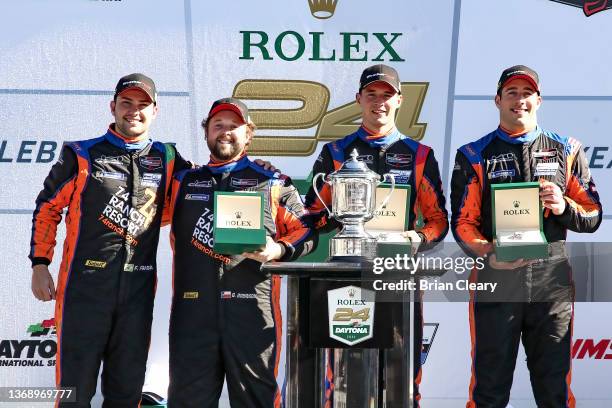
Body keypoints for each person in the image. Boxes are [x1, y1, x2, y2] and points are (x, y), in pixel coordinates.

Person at [29, 73, 191, 407]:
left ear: (155, 111)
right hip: (83, 287)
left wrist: (255, 171)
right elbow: (47, 208)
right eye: (127, 103)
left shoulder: (168, 158)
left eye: (143, 105)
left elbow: (207, 186)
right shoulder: (81, 154)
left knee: (126, 392)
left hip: (138, 290)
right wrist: (40, 264)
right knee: (73, 392)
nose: (134, 111)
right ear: (113, 107)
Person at [450, 65, 602, 407]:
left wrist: (563, 205)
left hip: (551, 279)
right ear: (498, 100)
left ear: (539, 100)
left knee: (554, 389)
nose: (520, 100)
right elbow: (462, 223)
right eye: (512, 93)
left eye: (527, 93)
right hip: (495, 277)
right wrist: (489, 253)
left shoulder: (567, 149)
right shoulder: (474, 155)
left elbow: (593, 215)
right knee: (489, 387)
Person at [305, 64, 449, 406]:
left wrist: (415, 240)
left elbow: (438, 220)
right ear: (359, 99)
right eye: (372, 95)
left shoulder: (419, 155)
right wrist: (332, 219)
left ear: (399, 100)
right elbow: (314, 215)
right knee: (344, 376)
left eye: (387, 95)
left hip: (399, 275)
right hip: (347, 274)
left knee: (400, 373)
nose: (379, 102)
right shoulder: (336, 153)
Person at [166, 98, 316, 407]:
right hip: (193, 313)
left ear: (248, 134)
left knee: (255, 402)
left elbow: (307, 229)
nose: (225, 132)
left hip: (251, 312)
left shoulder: (272, 181)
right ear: (206, 132)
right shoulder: (182, 180)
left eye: (234, 127)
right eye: (218, 125)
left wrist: (278, 249)